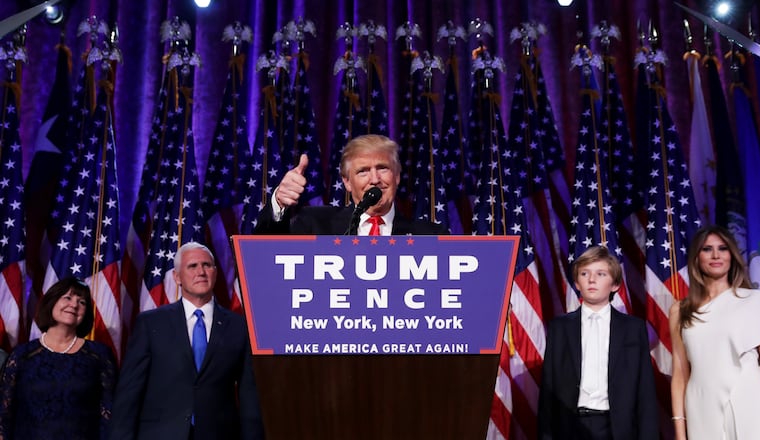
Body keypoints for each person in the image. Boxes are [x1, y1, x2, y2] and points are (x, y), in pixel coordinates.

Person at [110, 242, 265, 440]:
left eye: (207, 265)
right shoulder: (151, 324)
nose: (201, 271)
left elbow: (249, 396)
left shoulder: (239, 326)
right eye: (192, 266)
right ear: (177, 277)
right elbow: (129, 394)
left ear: (215, 272)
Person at [670, 225, 760, 440]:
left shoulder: (753, 301)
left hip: (750, 401)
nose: (716, 255)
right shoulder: (680, 310)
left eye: (723, 248)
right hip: (701, 406)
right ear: (696, 258)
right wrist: (680, 434)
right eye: (707, 249)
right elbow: (680, 375)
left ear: (732, 256)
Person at [538, 246, 658, 440]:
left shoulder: (632, 328)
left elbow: (644, 390)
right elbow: (548, 390)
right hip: (571, 427)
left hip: (616, 428)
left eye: (601, 274)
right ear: (577, 283)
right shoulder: (559, 328)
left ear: (615, 285)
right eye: (585, 273)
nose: (591, 280)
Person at [253, 134, 447, 235]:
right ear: (346, 181)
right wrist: (279, 203)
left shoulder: (430, 236)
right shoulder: (315, 224)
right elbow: (266, 251)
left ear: (397, 176)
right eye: (363, 171)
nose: (374, 179)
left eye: (383, 168)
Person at [0, 277, 117, 439]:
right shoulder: (22, 355)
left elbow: (109, 413)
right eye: (67, 298)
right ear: (51, 302)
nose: (74, 305)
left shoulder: (99, 355)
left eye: (82, 302)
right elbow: (4, 414)